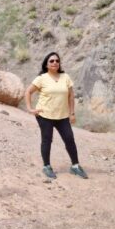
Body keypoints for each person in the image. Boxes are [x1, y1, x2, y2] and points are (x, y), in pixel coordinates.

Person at [24, 52, 88, 180]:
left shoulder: (65, 77)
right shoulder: (41, 78)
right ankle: (46, 166)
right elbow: (28, 92)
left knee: (69, 139)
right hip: (45, 115)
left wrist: (72, 113)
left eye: (57, 61)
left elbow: (71, 96)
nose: (55, 63)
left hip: (63, 116)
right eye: (51, 61)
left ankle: (75, 166)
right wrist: (30, 108)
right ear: (47, 64)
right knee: (47, 140)